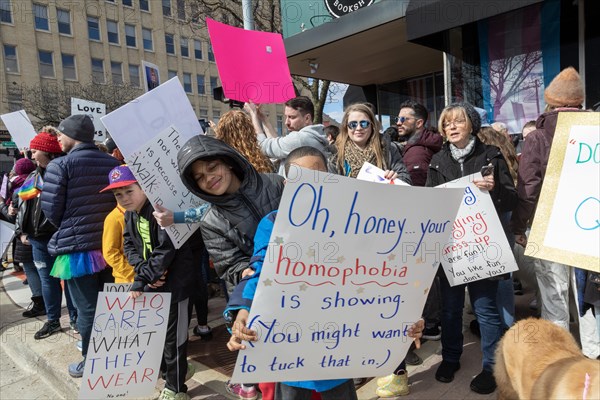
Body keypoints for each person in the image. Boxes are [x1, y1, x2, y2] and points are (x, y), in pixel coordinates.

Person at [225, 146, 425, 400]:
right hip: (290, 349)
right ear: (287, 184)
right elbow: (259, 269)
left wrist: (407, 316)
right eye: (302, 178)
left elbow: (383, 274)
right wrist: (243, 311)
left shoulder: (356, 221)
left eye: (319, 175)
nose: (313, 184)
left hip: (338, 349)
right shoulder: (274, 223)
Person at [152, 135, 284, 399]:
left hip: (308, 279)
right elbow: (229, 265)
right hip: (263, 294)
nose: (208, 178)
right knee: (280, 374)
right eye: (199, 177)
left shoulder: (275, 183)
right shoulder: (212, 221)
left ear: (228, 161)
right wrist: (244, 271)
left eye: (211, 167)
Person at [426, 102, 517, 395]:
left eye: (458, 122)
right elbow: (430, 202)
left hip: (482, 247)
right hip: (451, 247)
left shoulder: (490, 155)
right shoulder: (437, 161)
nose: (451, 127)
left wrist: (495, 190)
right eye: (447, 123)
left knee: (486, 310)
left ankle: (491, 367)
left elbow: (511, 199)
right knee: (450, 310)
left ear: (472, 125)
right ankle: (451, 357)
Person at [511, 67, 599, 359]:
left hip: (549, 225)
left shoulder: (538, 137)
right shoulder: (595, 130)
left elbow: (528, 186)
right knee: (588, 294)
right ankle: (592, 355)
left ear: (550, 102)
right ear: (579, 101)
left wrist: (519, 226)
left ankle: (560, 358)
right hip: (589, 224)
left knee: (554, 295)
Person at [100, 165, 200, 400]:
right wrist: (145, 272)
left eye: (129, 191)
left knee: (176, 339)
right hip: (154, 283)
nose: (124, 199)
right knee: (161, 337)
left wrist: (145, 277)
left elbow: (167, 249)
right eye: (118, 194)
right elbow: (128, 245)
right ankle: (175, 374)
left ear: (144, 188)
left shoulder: (160, 211)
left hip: (176, 287)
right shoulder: (129, 213)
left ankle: (176, 389)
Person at [40, 114, 120, 377]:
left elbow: (51, 211)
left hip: (78, 250)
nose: (58, 139)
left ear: (72, 135)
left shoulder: (60, 166)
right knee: (112, 304)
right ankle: (115, 354)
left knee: (87, 309)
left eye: (61, 134)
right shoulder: (112, 162)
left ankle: (91, 361)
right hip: (111, 246)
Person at [15, 128, 78, 337]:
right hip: (38, 241)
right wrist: (22, 231)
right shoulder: (33, 176)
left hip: (61, 237)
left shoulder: (64, 172)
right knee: (47, 280)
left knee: (68, 279)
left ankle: (76, 318)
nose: (31, 155)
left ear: (48, 152)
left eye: (35, 151)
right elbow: (23, 206)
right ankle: (53, 321)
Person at [245, 96, 331, 176]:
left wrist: (253, 114)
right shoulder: (313, 136)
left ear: (307, 118)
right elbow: (276, 145)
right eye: (286, 117)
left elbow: (263, 146)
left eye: (292, 117)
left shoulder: (300, 139)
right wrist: (263, 119)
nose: (286, 122)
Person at [329, 103, 411, 183]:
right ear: (346, 127)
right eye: (353, 124)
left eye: (364, 123)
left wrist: (396, 178)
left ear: (372, 126)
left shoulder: (388, 149)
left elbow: (406, 180)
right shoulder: (335, 154)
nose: (358, 128)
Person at [0, 158, 41, 317]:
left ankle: (39, 301)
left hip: (25, 237)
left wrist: (2, 205)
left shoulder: (17, 191)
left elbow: (13, 218)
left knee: (31, 269)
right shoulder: (39, 183)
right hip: (40, 236)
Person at [394, 100, 442, 186]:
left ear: (419, 123)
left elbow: (415, 191)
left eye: (403, 119)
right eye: (397, 119)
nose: (398, 123)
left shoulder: (417, 153)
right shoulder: (417, 145)